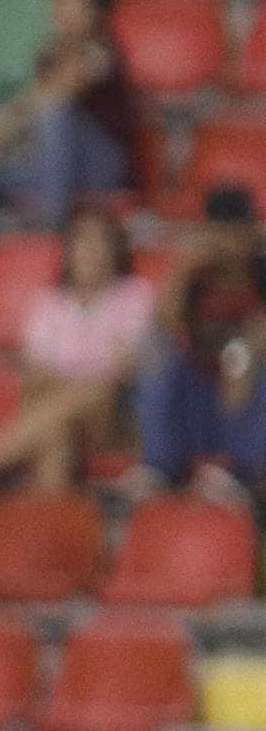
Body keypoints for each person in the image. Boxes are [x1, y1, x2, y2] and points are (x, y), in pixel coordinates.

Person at [0, 206, 149, 505]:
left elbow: (124, 368)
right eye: (83, 242)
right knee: (56, 436)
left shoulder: (135, 296)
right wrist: (79, 375)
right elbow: (33, 374)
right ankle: (50, 531)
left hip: (112, 418)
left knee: (97, 388)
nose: (92, 251)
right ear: (69, 251)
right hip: (57, 414)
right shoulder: (49, 304)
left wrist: (69, 377)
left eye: (101, 242)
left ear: (116, 250)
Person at [0, 0, 142, 257]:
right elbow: (24, 106)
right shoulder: (48, 54)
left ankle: (50, 231)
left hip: (100, 170)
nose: (59, 7)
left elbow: (52, 95)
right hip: (54, 168)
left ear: (96, 10)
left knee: (53, 113)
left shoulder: (103, 51)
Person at [139, 184, 266, 498]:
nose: (229, 242)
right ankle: (159, 468)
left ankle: (243, 474)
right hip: (199, 395)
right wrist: (182, 268)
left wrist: (240, 358)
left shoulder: (261, 269)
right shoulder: (195, 274)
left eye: (237, 232)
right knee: (156, 352)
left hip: (248, 398)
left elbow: (258, 334)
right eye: (220, 232)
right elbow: (164, 323)